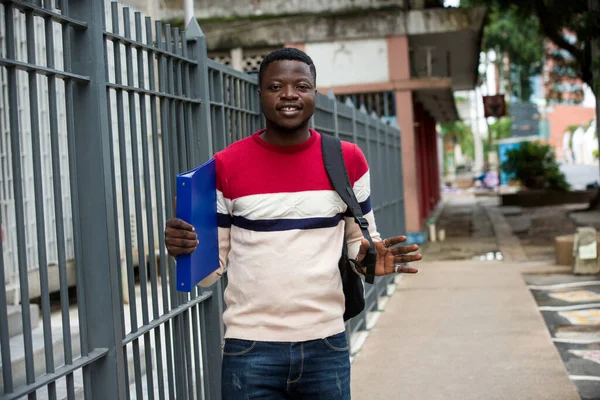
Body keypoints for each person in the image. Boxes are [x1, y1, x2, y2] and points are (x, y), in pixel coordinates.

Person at [164, 48, 422, 399]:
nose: (288, 94)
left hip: (325, 346)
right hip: (249, 349)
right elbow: (211, 271)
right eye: (275, 86)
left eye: (301, 85)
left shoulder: (348, 160)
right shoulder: (227, 164)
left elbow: (358, 245)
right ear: (260, 94)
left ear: (314, 92)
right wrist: (185, 250)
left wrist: (371, 260)